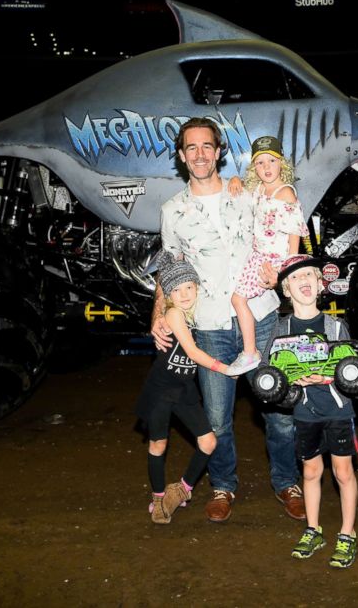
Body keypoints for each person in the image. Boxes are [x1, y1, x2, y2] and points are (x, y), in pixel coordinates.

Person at [151, 118, 305, 524]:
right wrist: (160, 316)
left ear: (218, 152)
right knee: (217, 418)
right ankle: (222, 486)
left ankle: (287, 482)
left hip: (263, 313)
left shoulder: (248, 193)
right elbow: (170, 269)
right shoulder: (173, 211)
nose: (200, 154)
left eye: (207, 146)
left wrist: (286, 270)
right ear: (182, 157)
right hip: (210, 325)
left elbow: (285, 223)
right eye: (191, 148)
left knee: (276, 406)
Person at [264, 254, 358, 568]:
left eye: (309, 275)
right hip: (305, 412)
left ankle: (347, 533)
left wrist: (331, 376)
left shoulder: (335, 326)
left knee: (343, 472)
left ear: (321, 284)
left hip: (337, 409)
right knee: (310, 472)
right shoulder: (281, 329)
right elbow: (269, 374)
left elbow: (354, 371)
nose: (303, 280)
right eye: (295, 277)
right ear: (286, 291)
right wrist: (289, 384)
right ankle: (313, 529)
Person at [137, 252, 228, 524]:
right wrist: (225, 369)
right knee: (158, 444)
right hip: (161, 389)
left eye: (189, 287)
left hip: (185, 390)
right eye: (177, 289)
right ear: (168, 295)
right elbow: (191, 351)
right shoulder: (174, 314)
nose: (185, 293)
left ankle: (182, 489)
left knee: (209, 441)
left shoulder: (194, 314)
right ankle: (157, 496)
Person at [224, 136, 309, 376]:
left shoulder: (285, 194)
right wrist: (234, 178)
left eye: (271, 161)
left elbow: (295, 234)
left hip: (272, 261)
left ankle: (250, 352)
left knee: (238, 299)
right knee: (240, 299)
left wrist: (286, 272)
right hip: (256, 255)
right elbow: (244, 193)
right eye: (260, 163)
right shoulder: (259, 188)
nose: (266, 167)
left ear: (282, 163)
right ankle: (252, 351)